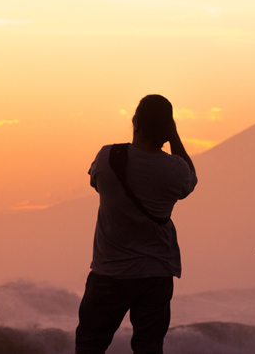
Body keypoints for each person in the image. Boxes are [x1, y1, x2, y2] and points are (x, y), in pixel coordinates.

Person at [75, 94, 198, 354]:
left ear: (136, 121)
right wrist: (174, 136)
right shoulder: (174, 170)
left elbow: (95, 183)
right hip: (155, 273)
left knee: (90, 345)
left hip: (109, 272)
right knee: (148, 347)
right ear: (167, 129)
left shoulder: (108, 157)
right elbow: (190, 178)